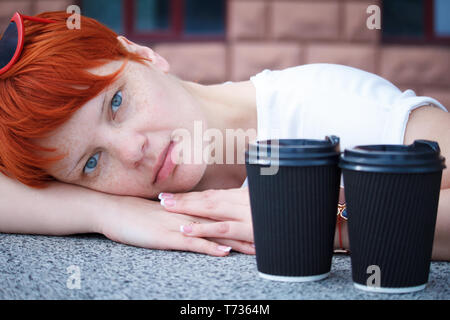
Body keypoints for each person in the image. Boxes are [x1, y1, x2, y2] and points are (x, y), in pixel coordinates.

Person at [0, 12, 449, 260]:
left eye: (116, 103)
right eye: (92, 162)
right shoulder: (128, 197)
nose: (131, 150)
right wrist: (102, 210)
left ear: (142, 54)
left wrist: (329, 219)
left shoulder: (328, 103)